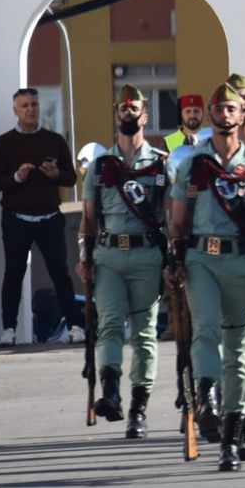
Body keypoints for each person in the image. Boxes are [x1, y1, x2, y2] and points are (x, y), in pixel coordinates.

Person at [163, 83, 245, 471]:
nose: (226, 115)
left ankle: (232, 437)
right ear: (211, 115)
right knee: (206, 332)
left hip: (243, 264)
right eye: (220, 109)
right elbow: (177, 221)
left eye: (232, 108)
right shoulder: (193, 165)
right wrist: (175, 261)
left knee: (240, 353)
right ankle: (207, 394)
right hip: (201, 260)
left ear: (242, 114)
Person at [77, 86, 169, 437]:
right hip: (110, 255)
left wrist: (171, 259)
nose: (127, 113)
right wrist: (84, 258)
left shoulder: (160, 162)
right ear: (116, 115)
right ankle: (110, 393)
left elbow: (171, 218)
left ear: (144, 116)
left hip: (147, 254)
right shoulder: (101, 166)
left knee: (145, 332)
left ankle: (139, 409)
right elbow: (88, 219)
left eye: (134, 108)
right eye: (122, 108)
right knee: (110, 324)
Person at [0, 87, 84, 345]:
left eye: (34, 105)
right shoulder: (4, 142)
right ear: (15, 111)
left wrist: (55, 175)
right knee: (14, 274)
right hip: (16, 218)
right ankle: (8, 329)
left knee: (60, 274)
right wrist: (17, 177)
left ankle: (74, 326)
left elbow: (71, 177)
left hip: (49, 217)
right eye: (25, 106)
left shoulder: (54, 140)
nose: (30, 109)